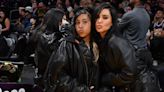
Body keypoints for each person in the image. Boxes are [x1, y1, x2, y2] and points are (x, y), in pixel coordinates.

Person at [44, 8, 99, 92]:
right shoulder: (67, 44)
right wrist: (82, 90)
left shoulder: (97, 45)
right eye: (77, 23)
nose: (80, 26)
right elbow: (58, 76)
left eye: (85, 22)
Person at [93, 2, 137, 92]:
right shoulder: (101, 39)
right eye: (97, 17)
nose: (99, 21)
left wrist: (105, 79)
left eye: (105, 17)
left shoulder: (117, 42)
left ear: (112, 22)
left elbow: (129, 74)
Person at [118, 0, 160, 91]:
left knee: (133, 83)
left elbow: (116, 31)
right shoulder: (147, 14)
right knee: (141, 82)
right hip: (144, 51)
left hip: (133, 54)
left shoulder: (130, 15)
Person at [30, 8, 67, 88]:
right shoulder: (47, 38)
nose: (66, 23)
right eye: (63, 20)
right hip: (49, 79)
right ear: (55, 20)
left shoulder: (43, 34)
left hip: (47, 77)